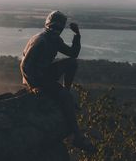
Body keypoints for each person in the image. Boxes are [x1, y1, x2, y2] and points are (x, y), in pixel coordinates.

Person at [20, 10, 95, 151]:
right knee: (65, 97)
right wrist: (33, 86)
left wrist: (77, 35)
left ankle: (65, 91)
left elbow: (73, 54)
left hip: (45, 74)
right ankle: (78, 136)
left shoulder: (55, 40)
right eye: (53, 26)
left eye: (59, 28)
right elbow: (24, 65)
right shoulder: (40, 40)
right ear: (47, 25)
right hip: (35, 78)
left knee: (72, 63)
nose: (56, 30)